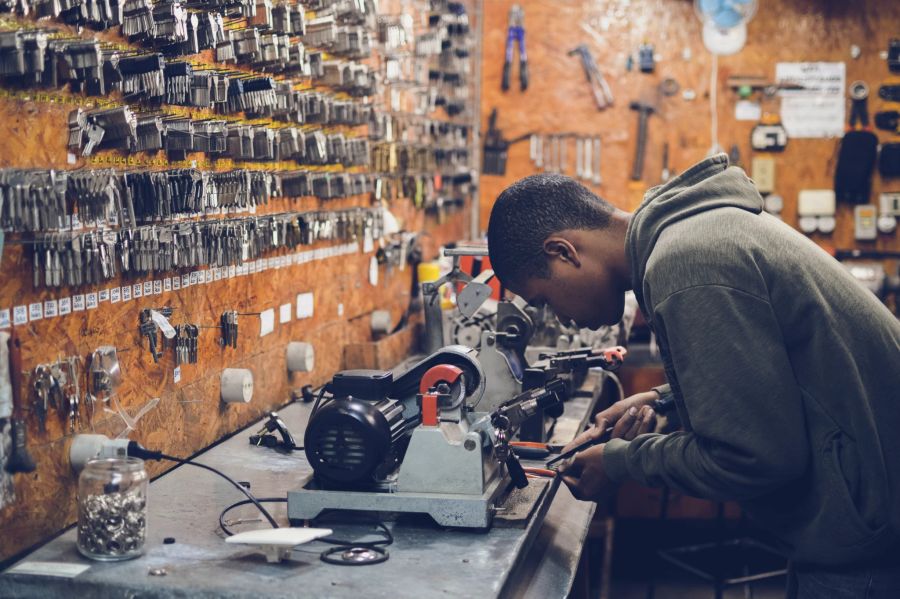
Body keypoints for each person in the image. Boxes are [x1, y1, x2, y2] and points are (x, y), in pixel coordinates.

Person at [486, 154, 900, 597]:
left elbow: (754, 457)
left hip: (868, 545)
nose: (560, 319)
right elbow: (772, 372)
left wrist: (621, 463)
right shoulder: (693, 235)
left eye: (545, 299)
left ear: (563, 251)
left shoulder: (686, 265)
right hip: (863, 519)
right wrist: (662, 399)